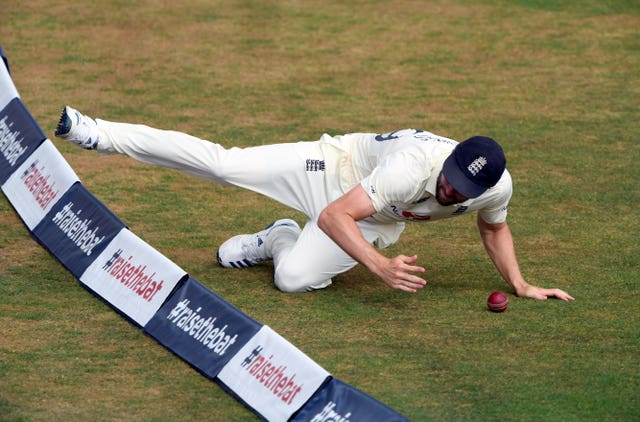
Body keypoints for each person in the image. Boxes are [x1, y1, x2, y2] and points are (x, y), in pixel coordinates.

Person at [54, 105, 574, 301]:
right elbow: (333, 214)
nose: (451, 193)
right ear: (450, 158)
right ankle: (96, 132)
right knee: (224, 164)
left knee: (293, 279)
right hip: (333, 170)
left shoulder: (496, 188)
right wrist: (380, 268)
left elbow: (494, 229)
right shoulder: (413, 166)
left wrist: (521, 284)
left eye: (462, 191)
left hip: (376, 215)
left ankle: (280, 236)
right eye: (451, 179)